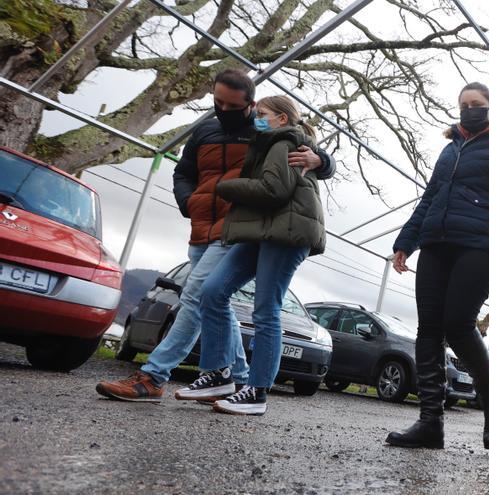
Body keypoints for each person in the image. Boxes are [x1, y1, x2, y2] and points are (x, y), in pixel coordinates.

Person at [96, 69, 335, 402]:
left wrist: (323, 160)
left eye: (231, 105)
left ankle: (153, 376)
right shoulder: (204, 130)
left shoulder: (264, 131)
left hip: (238, 229)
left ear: (249, 105)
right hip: (202, 228)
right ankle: (233, 377)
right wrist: (188, 201)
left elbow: (298, 147)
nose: (223, 109)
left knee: (197, 294)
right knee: (213, 300)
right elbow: (184, 171)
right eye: (217, 102)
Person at [385, 82, 489, 450]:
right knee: (429, 330)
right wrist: (405, 241)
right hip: (437, 243)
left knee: (457, 324)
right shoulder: (450, 148)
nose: (469, 109)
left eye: (477, 104)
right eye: (463, 104)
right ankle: (430, 423)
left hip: (481, 244)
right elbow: (431, 197)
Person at [173, 95, 326, 416]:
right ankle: (218, 373)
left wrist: (225, 186)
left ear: (282, 119)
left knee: (266, 310)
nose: (257, 118)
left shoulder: (285, 143)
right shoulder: (267, 142)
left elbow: (274, 190)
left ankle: (257, 392)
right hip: (261, 230)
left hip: (286, 232)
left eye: (263, 114)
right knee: (212, 291)